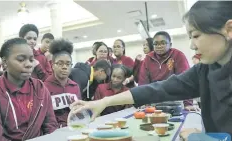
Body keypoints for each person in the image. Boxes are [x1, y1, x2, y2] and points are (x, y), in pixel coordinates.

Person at [70, 1, 232, 138]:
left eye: (196, 36)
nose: (192, 45)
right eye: (190, 38)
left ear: (229, 29)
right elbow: (159, 89)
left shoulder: (185, 59)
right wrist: (104, 102)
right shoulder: (205, 70)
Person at [0, 38, 58, 141]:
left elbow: (50, 127)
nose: (29, 64)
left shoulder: (40, 88)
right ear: (5, 62)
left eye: (31, 60)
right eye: (21, 60)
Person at [138, 31, 193, 108]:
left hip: (175, 100)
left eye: (163, 43)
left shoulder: (178, 55)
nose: (159, 46)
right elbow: (143, 82)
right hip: (154, 101)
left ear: (170, 44)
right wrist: (143, 102)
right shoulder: (148, 58)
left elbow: (185, 80)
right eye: (156, 44)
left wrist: (188, 104)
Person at [44, 39, 81, 127]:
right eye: (60, 63)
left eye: (68, 64)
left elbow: (79, 111)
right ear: (53, 65)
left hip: (74, 129)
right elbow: (44, 118)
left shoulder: (75, 86)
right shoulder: (44, 87)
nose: (64, 67)